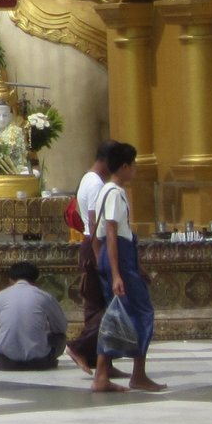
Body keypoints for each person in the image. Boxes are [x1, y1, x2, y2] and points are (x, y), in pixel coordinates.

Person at [94, 141, 164, 393]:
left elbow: (99, 232)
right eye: (133, 165)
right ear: (124, 167)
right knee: (142, 312)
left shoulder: (105, 190)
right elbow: (111, 232)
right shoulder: (114, 193)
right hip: (118, 258)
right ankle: (138, 374)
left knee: (115, 314)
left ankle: (103, 374)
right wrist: (116, 274)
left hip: (117, 256)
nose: (134, 170)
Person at [64, 141, 122, 377]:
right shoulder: (96, 184)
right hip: (94, 245)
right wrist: (101, 259)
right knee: (106, 308)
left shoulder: (89, 179)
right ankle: (79, 347)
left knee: (94, 307)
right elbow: (95, 222)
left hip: (91, 244)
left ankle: (102, 363)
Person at [0, 261, 68, 370]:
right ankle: (49, 359)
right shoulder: (45, 297)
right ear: (35, 280)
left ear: (10, 280)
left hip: (6, 363)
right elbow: (61, 329)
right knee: (61, 338)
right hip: (40, 362)